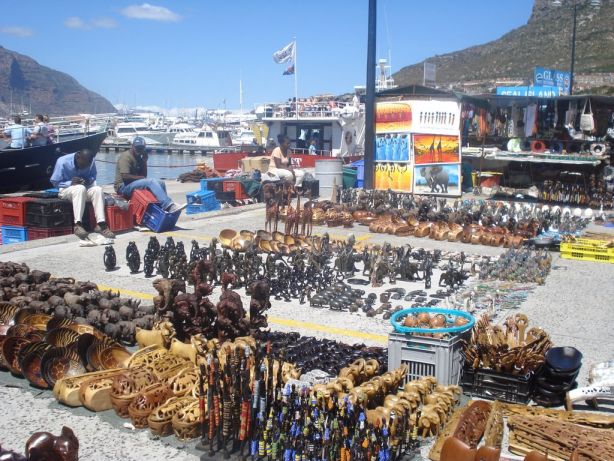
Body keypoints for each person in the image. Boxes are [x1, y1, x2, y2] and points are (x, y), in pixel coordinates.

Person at [50, 149, 115, 240]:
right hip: (66, 190)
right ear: (77, 157)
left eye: (86, 166)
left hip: (84, 189)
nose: (83, 168)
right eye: (82, 165)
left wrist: (88, 180)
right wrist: (70, 182)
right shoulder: (62, 161)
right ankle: (78, 225)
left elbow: (93, 176)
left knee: (98, 190)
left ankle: (101, 224)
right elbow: (55, 182)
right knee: (80, 188)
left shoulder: (90, 161)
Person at [114, 137, 185, 212]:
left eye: (141, 148)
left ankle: (165, 207)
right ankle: (168, 205)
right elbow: (125, 176)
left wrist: (144, 161)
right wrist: (141, 178)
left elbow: (144, 176)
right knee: (151, 182)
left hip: (131, 183)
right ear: (132, 147)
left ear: (144, 148)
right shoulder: (126, 156)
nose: (139, 150)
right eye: (137, 148)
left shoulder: (139, 157)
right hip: (122, 187)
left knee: (161, 182)